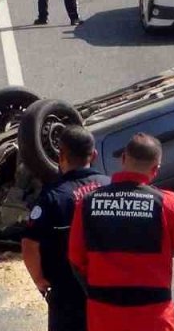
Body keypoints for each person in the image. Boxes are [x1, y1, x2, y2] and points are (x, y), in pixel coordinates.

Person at [68, 134, 174, 331]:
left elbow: (76, 258)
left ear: (123, 158)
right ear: (155, 169)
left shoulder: (87, 202)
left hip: (104, 316)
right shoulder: (166, 203)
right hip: (153, 317)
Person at [21, 127, 109, 331]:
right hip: (108, 287)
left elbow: (29, 245)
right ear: (93, 155)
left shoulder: (52, 197)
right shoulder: (110, 186)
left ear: (60, 156)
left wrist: (40, 280)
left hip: (67, 292)